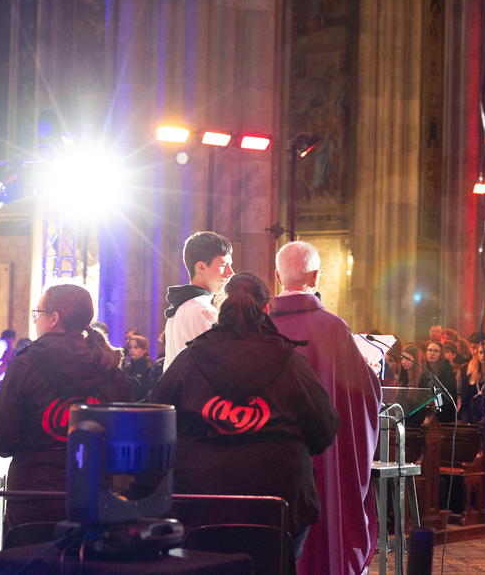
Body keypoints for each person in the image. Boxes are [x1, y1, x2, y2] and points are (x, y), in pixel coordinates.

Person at [150, 272, 340, 561]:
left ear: (221, 308)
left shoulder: (188, 360)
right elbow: (323, 429)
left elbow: (156, 420)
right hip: (278, 500)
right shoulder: (291, 363)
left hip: (201, 501)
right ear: (266, 309)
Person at [0, 283, 131, 537]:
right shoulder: (110, 368)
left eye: (37, 313)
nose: (35, 320)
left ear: (54, 318)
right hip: (94, 496)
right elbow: (123, 441)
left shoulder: (25, 365)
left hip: (34, 498)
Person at [271, 241, 382, 575]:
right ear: (316, 277)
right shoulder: (332, 328)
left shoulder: (259, 326)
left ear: (277, 276)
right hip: (321, 458)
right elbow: (361, 399)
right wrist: (370, 372)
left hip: (271, 459)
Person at [163, 231, 234, 368]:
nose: (230, 273)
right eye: (223, 266)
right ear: (201, 267)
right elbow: (218, 365)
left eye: (230, 265)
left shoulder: (180, 307)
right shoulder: (202, 310)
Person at [459, 339, 485, 424]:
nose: (482, 355)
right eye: (480, 352)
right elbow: (464, 404)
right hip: (472, 421)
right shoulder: (470, 377)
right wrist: (466, 421)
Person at [122, 334, 156, 401]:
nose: (132, 350)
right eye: (130, 347)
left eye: (136, 347)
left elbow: (148, 391)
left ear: (144, 350)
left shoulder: (149, 367)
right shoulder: (127, 368)